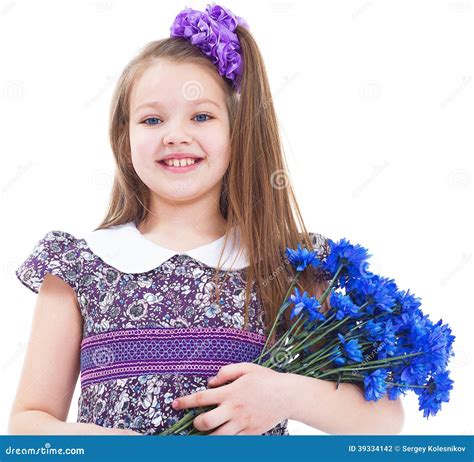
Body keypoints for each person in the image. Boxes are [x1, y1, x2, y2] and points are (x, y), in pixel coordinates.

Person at [8, 4, 404, 435]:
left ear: (237, 132)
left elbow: (382, 418)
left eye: (201, 116)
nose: (175, 134)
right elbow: (29, 422)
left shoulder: (288, 265)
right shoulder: (80, 266)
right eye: (152, 119)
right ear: (125, 138)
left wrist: (285, 395)